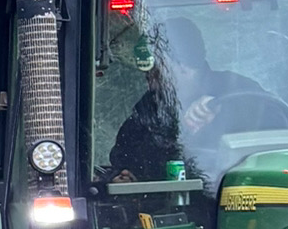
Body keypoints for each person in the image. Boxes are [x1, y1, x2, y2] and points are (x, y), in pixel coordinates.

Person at [108, 17, 264, 183]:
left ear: (183, 67)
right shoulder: (151, 105)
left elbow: (277, 122)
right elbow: (122, 155)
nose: (151, 86)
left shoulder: (238, 89)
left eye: (156, 75)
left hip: (235, 194)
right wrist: (123, 176)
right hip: (163, 203)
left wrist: (221, 106)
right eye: (148, 76)